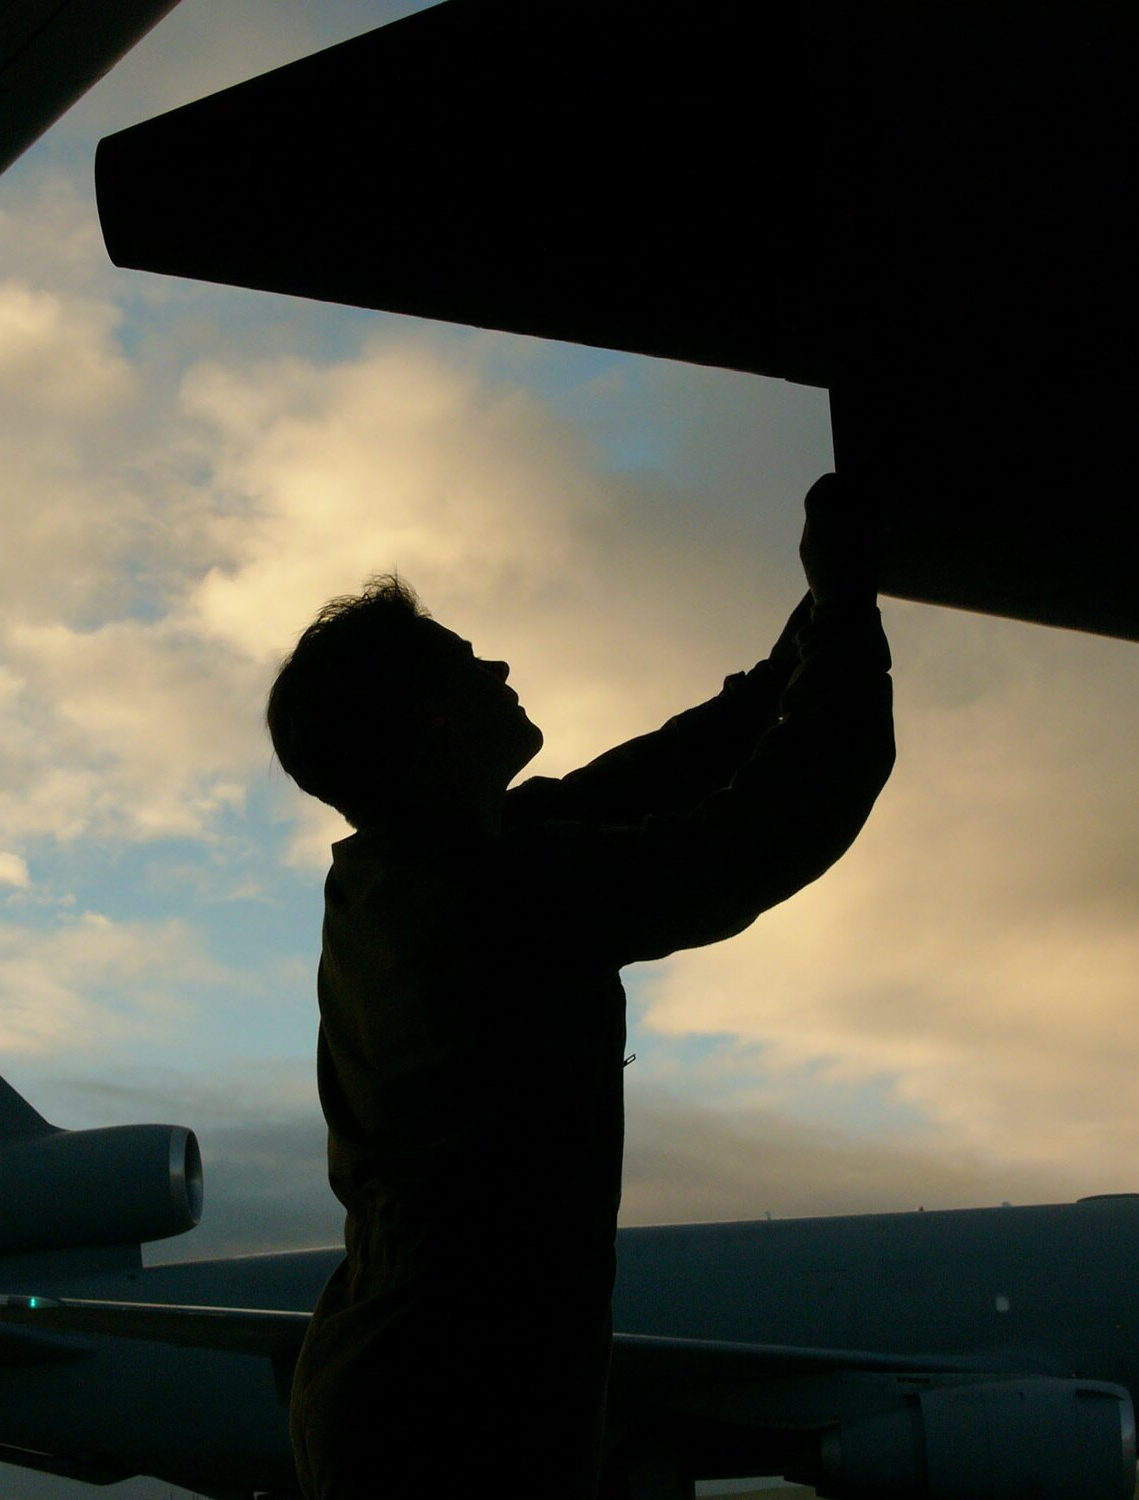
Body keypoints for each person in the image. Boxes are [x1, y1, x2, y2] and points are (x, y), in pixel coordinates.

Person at [269, 473, 894, 1499]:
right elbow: (772, 820)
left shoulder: (420, 871)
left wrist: (823, 609)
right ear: (431, 725)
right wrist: (844, 611)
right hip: (447, 1418)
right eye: (468, 665)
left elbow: (673, 766)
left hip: (400, 1393)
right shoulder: (484, 899)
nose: (499, 665)